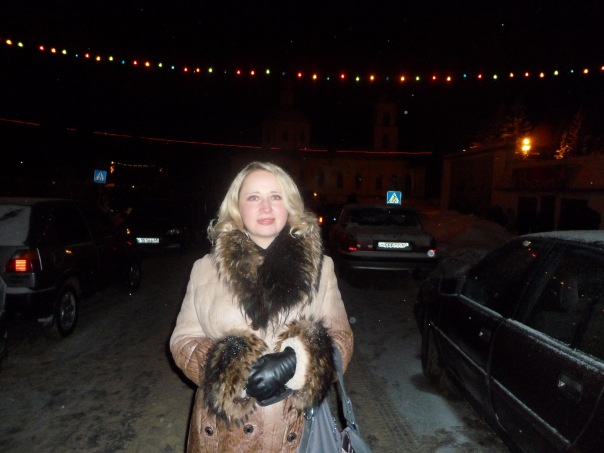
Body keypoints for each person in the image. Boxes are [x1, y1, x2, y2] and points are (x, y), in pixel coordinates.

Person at [170, 161, 354, 452]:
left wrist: (297, 361)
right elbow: (183, 341)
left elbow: (341, 340)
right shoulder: (205, 269)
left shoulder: (321, 268)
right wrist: (232, 368)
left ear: (289, 205)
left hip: (293, 433)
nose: (266, 207)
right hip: (221, 434)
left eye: (275, 196)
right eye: (253, 197)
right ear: (237, 207)